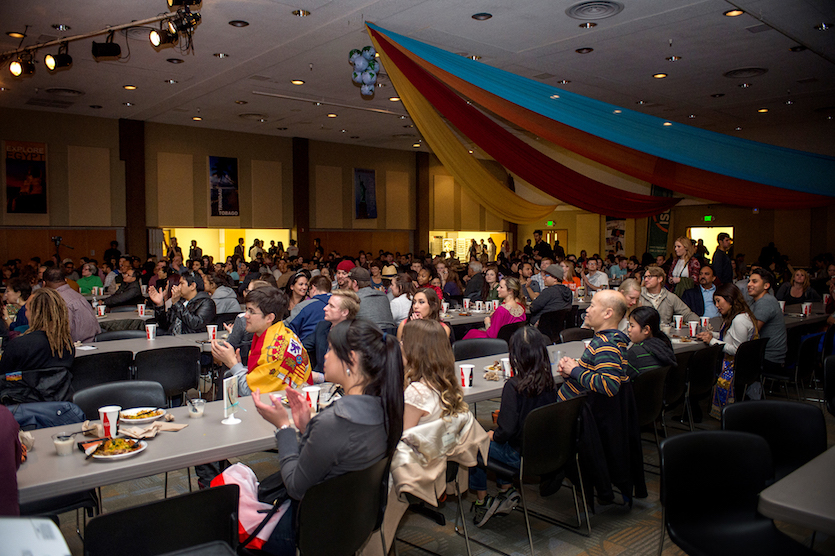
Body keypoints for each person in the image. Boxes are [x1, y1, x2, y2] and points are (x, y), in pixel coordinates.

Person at [249, 319, 403, 555]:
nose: (325, 356)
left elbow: (296, 487)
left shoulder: (337, 420)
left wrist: (284, 428)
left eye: (331, 349)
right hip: (352, 521)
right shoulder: (386, 408)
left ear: (351, 359)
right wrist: (307, 427)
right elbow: (344, 454)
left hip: (309, 529)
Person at [470, 326, 559, 527]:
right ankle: (506, 490)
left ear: (515, 354)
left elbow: (505, 432)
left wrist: (491, 436)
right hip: (545, 452)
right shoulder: (550, 381)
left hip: (519, 456)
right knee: (501, 439)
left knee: (474, 444)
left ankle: (482, 501)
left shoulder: (514, 385)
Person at [213, 287, 310, 398]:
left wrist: (232, 363)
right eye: (246, 310)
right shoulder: (283, 332)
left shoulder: (274, 352)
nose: (246, 316)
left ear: (269, 317)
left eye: (251, 311)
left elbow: (250, 392)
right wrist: (239, 367)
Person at [0, 288, 74, 403]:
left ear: (35, 313)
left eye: (27, 309)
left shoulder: (19, 345)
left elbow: (5, 376)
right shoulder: (66, 344)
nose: (25, 313)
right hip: (58, 405)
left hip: (20, 406)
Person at [695, 283, 758, 417]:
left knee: (699, 370)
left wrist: (712, 341)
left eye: (718, 301)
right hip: (745, 366)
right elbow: (729, 336)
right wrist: (712, 336)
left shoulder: (739, 320)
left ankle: (694, 408)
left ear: (730, 299)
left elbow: (737, 349)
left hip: (734, 366)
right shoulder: (741, 315)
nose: (717, 306)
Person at [557, 290, 629, 400]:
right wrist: (570, 371)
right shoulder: (603, 339)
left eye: (592, 306)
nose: (587, 310)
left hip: (577, 412)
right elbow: (593, 373)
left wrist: (574, 370)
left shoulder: (607, 344)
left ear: (607, 313)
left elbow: (609, 385)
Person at [401, 319, 467, 429]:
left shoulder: (417, 392)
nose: (400, 344)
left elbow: (403, 438)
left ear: (415, 349)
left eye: (404, 340)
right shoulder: (443, 382)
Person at [307, 289, 360, 382]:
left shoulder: (354, 335)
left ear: (345, 312)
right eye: (328, 304)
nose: (325, 308)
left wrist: (320, 377)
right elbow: (304, 346)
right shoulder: (322, 327)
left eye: (331, 306)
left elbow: (350, 374)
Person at [746, 268, 787, 375]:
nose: (749, 284)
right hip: (765, 354)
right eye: (749, 281)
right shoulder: (755, 301)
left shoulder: (766, 302)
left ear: (766, 286)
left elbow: (752, 331)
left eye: (754, 281)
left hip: (769, 359)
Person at [42, 268, 100, 343]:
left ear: (43, 284)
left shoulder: (58, 300)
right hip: (93, 343)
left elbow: (62, 333)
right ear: (65, 280)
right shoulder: (78, 296)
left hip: (76, 347)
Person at [150, 271, 216, 334]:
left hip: (189, 340)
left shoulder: (206, 302)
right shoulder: (181, 301)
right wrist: (160, 305)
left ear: (192, 286)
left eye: (182, 283)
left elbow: (196, 324)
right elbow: (165, 324)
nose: (178, 287)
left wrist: (177, 304)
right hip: (172, 338)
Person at [625, 307, 676, 378]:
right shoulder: (664, 344)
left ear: (646, 330)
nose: (629, 329)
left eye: (632, 326)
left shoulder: (634, 353)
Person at [285, 275, 331, 343]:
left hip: (305, 347)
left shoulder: (304, 306)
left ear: (313, 288)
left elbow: (287, 328)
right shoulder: (338, 304)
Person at [349, 267, 395, 331]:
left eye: (348, 282)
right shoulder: (383, 295)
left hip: (366, 336)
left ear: (354, 283)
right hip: (388, 337)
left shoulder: (354, 299)